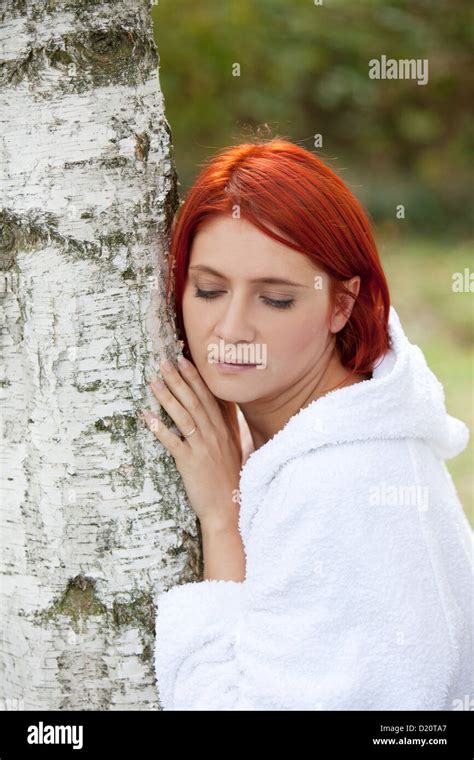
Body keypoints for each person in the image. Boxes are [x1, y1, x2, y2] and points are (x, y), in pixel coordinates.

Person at [141, 138, 472, 710]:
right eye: (209, 290)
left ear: (341, 305)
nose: (231, 329)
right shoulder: (335, 433)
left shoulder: (342, 481)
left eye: (275, 300)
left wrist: (222, 518)